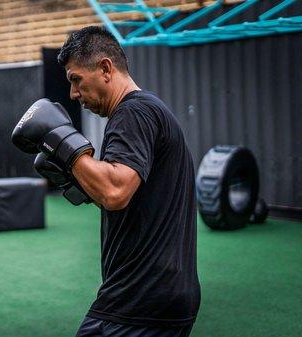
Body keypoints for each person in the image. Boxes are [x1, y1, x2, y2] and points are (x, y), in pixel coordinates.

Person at [11, 26, 200, 337]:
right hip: (157, 295)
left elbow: (115, 191)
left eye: (76, 80)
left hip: (138, 301)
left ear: (105, 68)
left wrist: (64, 146)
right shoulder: (149, 110)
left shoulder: (133, 113)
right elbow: (120, 193)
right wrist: (75, 173)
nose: (73, 93)